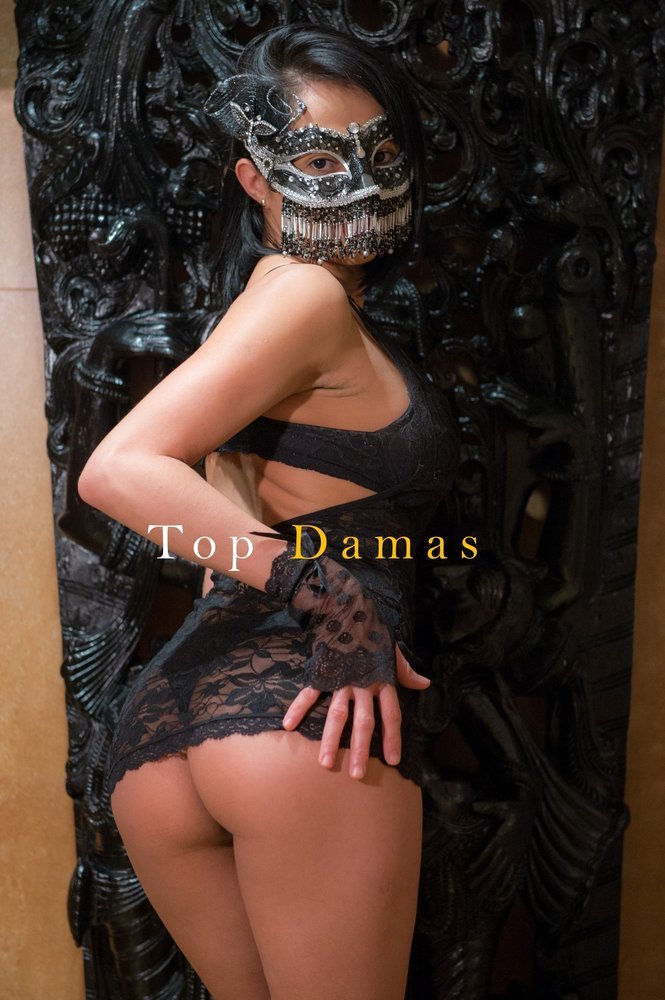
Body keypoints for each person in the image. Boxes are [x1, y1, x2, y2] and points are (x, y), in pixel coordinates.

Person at [78, 23, 458, 1000]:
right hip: (299, 711)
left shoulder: (255, 308)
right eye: (321, 161)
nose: (361, 184)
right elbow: (118, 470)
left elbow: (215, 534)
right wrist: (334, 598)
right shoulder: (305, 298)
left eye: (381, 152)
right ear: (255, 179)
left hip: (170, 729)